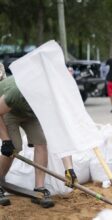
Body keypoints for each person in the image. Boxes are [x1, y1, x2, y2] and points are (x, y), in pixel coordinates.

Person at [0, 76, 77, 208]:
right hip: (8, 111)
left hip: (31, 115)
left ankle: (39, 189)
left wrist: (69, 169)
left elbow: (60, 135)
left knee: (41, 143)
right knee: (14, 147)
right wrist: (6, 140)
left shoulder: (51, 99)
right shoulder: (16, 92)